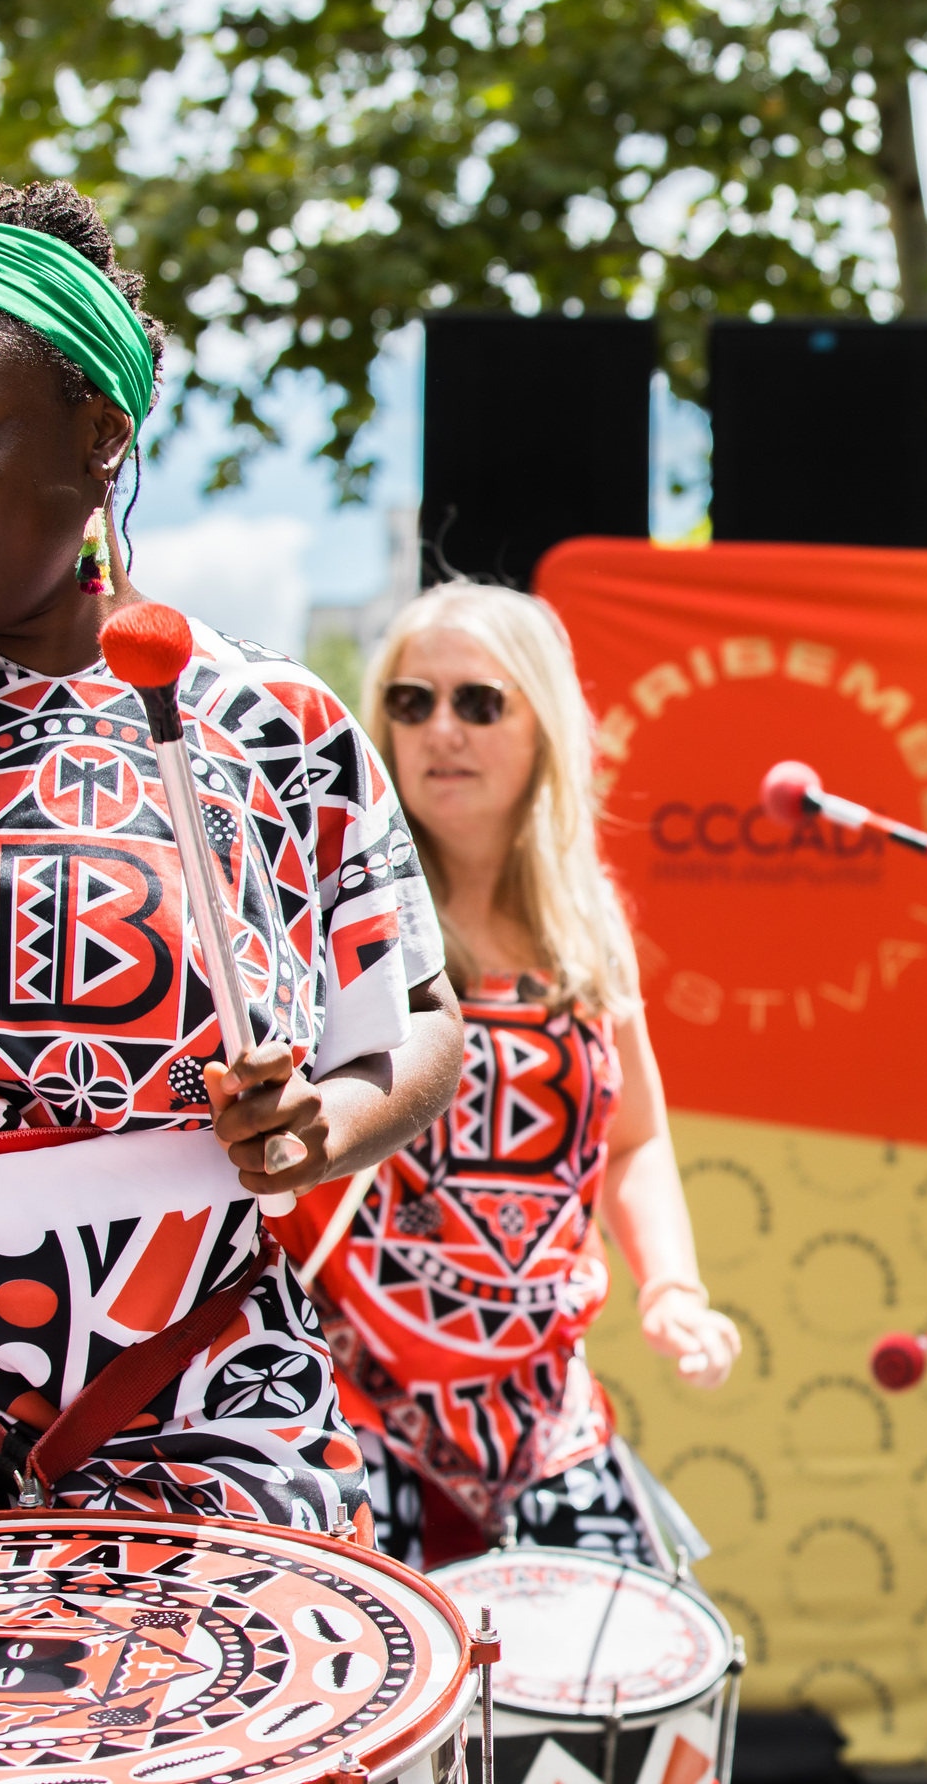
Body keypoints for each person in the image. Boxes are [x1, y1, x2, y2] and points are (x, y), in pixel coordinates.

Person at [0, 169, 461, 1539]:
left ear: (100, 436)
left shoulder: (273, 726)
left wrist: (325, 1128)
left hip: (207, 1403)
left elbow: (418, 1028)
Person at [287, 584, 742, 1565]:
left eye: (478, 701)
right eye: (411, 702)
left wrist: (673, 1287)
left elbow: (634, 1138)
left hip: (546, 1417)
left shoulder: (584, 929)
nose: (440, 728)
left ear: (541, 721)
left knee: (628, 1697)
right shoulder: (330, 914)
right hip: (346, 1409)